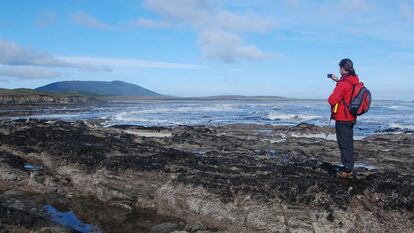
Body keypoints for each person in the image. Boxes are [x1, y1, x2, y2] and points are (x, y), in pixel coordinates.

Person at [328, 58, 360, 178]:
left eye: (340, 67)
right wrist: (338, 81)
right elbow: (347, 92)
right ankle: (349, 166)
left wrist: (339, 84)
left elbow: (332, 100)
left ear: (342, 68)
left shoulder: (344, 83)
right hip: (351, 116)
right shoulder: (354, 81)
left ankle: (347, 170)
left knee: (344, 144)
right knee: (348, 142)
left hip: (343, 117)